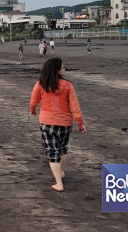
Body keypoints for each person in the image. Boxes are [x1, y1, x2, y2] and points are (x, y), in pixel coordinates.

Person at [30, 57, 86, 192]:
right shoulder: (68, 85)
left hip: (47, 122)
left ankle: (58, 183)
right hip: (65, 123)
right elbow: (74, 105)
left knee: (52, 152)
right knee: (62, 149)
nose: (64, 68)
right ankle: (60, 172)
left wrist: (32, 110)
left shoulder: (41, 83)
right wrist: (80, 122)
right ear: (56, 69)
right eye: (62, 67)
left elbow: (34, 100)